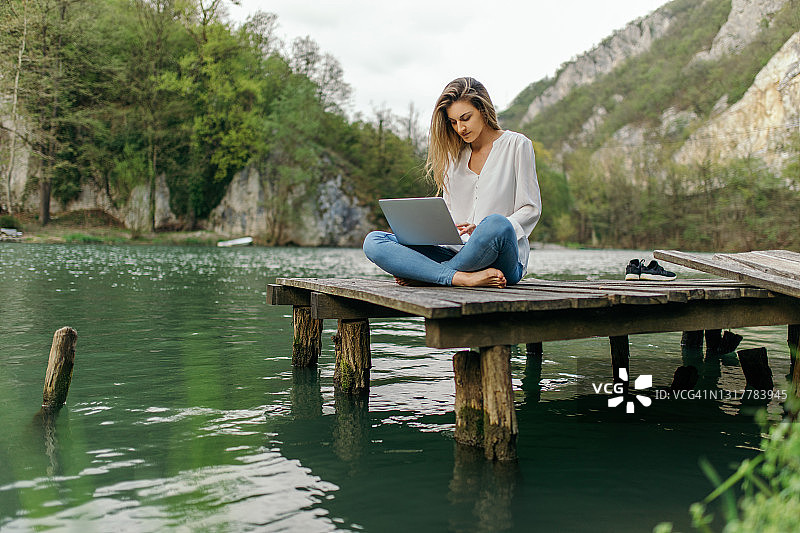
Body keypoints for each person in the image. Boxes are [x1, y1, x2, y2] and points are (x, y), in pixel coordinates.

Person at [363, 77, 541, 288]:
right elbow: (448, 216)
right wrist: (430, 230)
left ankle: (429, 274)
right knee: (374, 241)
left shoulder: (517, 145)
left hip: (502, 257)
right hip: (456, 251)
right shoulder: (453, 158)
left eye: (466, 118)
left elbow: (530, 209)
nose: (460, 128)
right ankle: (460, 278)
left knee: (496, 223)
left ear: (483, 110)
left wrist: (481, 229)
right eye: (453, 122)